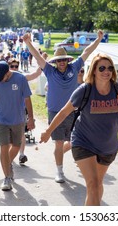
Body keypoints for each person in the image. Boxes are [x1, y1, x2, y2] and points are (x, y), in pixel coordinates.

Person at [40, 53, 118, 205]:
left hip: (108, 147)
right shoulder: (85, 90)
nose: (107, 71)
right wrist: (48, 132)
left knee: (97, 185)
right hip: (83, 142)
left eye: (110, 68)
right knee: (92, 184)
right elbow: (64, 111)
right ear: (93, 71)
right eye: (102, 68)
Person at [23, 30, 104, 184]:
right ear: (55, 62)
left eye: (63, 60)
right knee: (59, 142)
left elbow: (87, 51)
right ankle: (59, 171)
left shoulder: (74, 67)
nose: (61, 63)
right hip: (55, 112)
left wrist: (98, 39)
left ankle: (80, 163)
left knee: (77, 141)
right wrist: (28, 43)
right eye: (59, 61)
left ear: (67, 60)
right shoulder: (49, 71)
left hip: (73, 111)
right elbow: (38, 57)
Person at [0, 61, 35, 191]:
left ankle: (7, 164)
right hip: (1, 119)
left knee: (16, 146)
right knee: (4, 147)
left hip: (18, 119)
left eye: (2, 77)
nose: (0, 80)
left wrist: (31, 118)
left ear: (8, 73)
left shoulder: (20, 79)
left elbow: (27, 99)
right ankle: (7, 177)